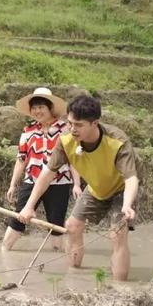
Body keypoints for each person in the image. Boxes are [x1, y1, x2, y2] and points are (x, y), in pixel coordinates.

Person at [18, 95, 139, 281]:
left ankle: (120, 288)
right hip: (96, 188)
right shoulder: (66, 141)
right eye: (70, 123)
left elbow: (131, 178)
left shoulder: (117, 141)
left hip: (121, 190)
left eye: (79, 125)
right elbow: (47, 174)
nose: (73, 129)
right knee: (72, 226)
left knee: (117, 234)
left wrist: (128, 205)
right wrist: (29, 206)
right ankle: (74, 275)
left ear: (95, 123)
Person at [2, 88, 82, 252]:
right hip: (32, 180)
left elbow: (73, 158)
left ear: (50, 108)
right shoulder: (28, 131)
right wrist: (13, 184)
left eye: (41, 107)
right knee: (19, 216)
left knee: (55, 222)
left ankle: (55, 254)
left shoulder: (65, 130)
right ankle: (5, 250)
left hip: (59, 181)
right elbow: (21, 159)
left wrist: (76, 184)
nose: (37, 111)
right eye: (34, 107)